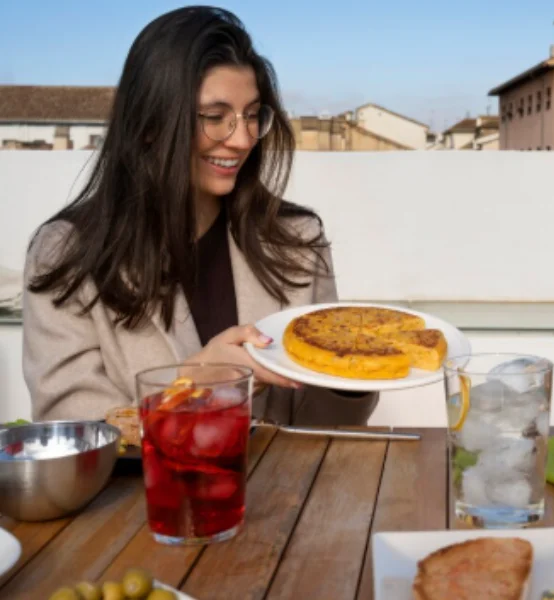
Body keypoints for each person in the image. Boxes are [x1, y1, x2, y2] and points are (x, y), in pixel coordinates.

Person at [22, 6, 376, 424]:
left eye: (251, 115)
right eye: (215, 118)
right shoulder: (66, 257)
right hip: (150, 492)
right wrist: (191, 385)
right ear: (150, 124)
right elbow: (72, 434)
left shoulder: (296, 239)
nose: (242, 139)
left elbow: (327, 428)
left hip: (287, 490)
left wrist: (349, 372)